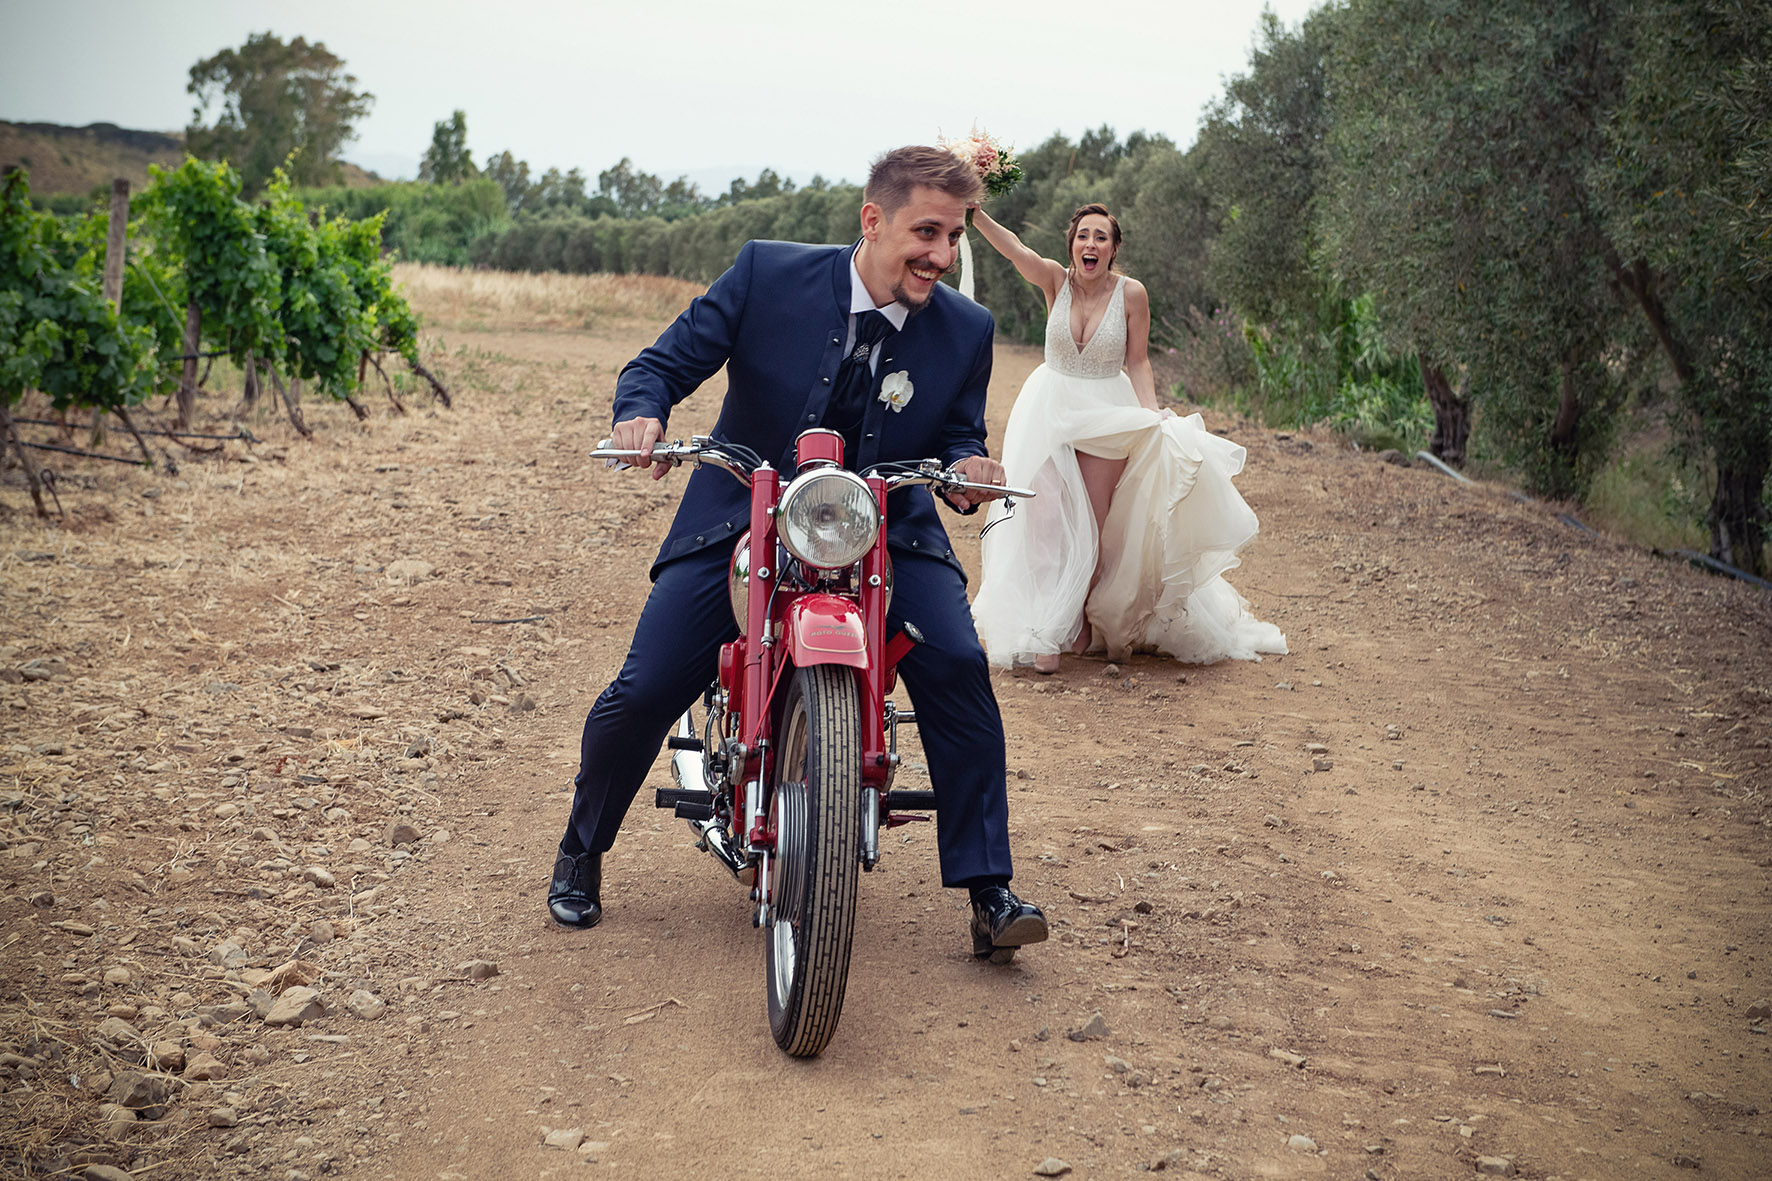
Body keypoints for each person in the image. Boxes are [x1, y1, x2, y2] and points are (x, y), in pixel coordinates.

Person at [548, 146, 1048, 964]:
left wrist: (968, 471)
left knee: (958, 663)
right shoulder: (766, 275)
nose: (942, 255)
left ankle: (989, 889)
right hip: (743, 517)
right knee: (645, 685)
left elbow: (960, 434)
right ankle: (582, 844)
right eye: (927, 231)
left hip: (886, 530)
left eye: (954, 237)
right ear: (872, 219)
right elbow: (659, 365)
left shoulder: (967, 327)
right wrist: (641, 414)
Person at [967, 202, 1287, 672]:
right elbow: (1014, 249)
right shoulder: (1055, 280)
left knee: (1093, 528)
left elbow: (1137, 361)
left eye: (1100, 237)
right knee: (1042, 515)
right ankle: (1044, 626)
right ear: (1071, 244)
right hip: (1049, 410)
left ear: (1114, 248)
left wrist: (1151, 414)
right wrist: (974, 213)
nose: (1089, 244)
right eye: (1082, 236)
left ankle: (1077, 619)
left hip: (1105, 414)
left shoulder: (1131, 294)